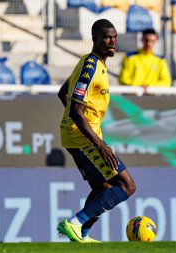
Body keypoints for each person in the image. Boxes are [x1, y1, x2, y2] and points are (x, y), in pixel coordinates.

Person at [57, 19, 136, 243]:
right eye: (106, 37)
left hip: (81, 134)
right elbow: (74, 108)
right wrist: (99, 143)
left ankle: (81, 233)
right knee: (127, 185)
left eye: (114, 37)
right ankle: (74, 223)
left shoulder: (93, 64)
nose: (112, 42)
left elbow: (63, 93)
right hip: (83, 138)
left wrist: (76, 121)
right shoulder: (90, 66)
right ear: (95, 39)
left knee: (104, 188)